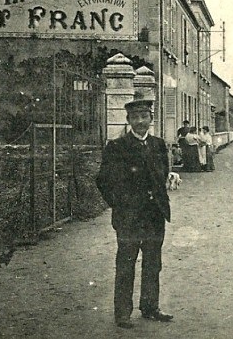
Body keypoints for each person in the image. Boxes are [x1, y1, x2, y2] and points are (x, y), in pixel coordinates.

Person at [95, 94, 173, 329]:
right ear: (128, 120)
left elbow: (161, 175)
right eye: (135, 117)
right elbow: (103, 181)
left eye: (144, 116)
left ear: (151, 118)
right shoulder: (117, 147)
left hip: (154, 216)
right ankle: (122, 314)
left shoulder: (158, 145)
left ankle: (150, 307)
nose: (140, 121)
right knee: (126, 264)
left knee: (153, 263)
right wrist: (120, 205)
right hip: (129, 218)